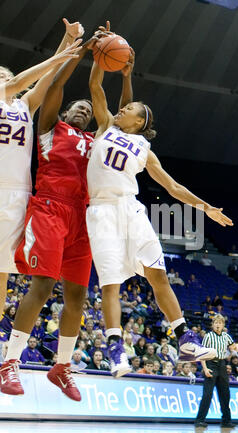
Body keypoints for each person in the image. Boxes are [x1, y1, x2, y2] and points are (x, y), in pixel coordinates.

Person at [85, 24, 234, 378]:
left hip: (131, 209)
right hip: (101, 210)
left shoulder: (144, 148)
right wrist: (100, 57)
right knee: (111, 283)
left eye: (130, 109)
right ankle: (116, 349)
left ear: (140, 122)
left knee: (158, 275)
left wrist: (206, 208)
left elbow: (173, 187)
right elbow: (95, 88)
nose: (123, 110)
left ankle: (184, 337)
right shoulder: (106, 125)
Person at [0, 26, 133, 401]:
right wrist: (78, 53)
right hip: (49, 208)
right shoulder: (48, 127)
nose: (83, 109)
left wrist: (121, 76)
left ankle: (62, 366)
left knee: (77, 297)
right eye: (78, 106)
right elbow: (56, 86)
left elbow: (121, 118)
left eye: (87, 110)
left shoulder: (97, 140)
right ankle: (10, 362)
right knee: (41, 285)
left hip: (83, 218)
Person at [0, 18, 85, 318]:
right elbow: (17, 83)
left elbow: (45, 81)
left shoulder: (24, 106)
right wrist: (57, 56)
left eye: (3, 73)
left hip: (19, 196)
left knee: (2, 276)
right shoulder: (6, 90)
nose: (2, 77)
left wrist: (66, 41)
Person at [194, 314, 238, 428]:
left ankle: (226, 420)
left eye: (220, 323)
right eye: (216, 323)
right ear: (212, 325)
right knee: (207, 394)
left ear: (223, 324)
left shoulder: (226, 336)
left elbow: (233, 348)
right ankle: (200, 420)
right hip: (210, 363)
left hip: (222, 364)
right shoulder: (208, 336)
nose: (218, 325)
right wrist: (205, 368)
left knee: (225, 394)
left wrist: (237, 347)